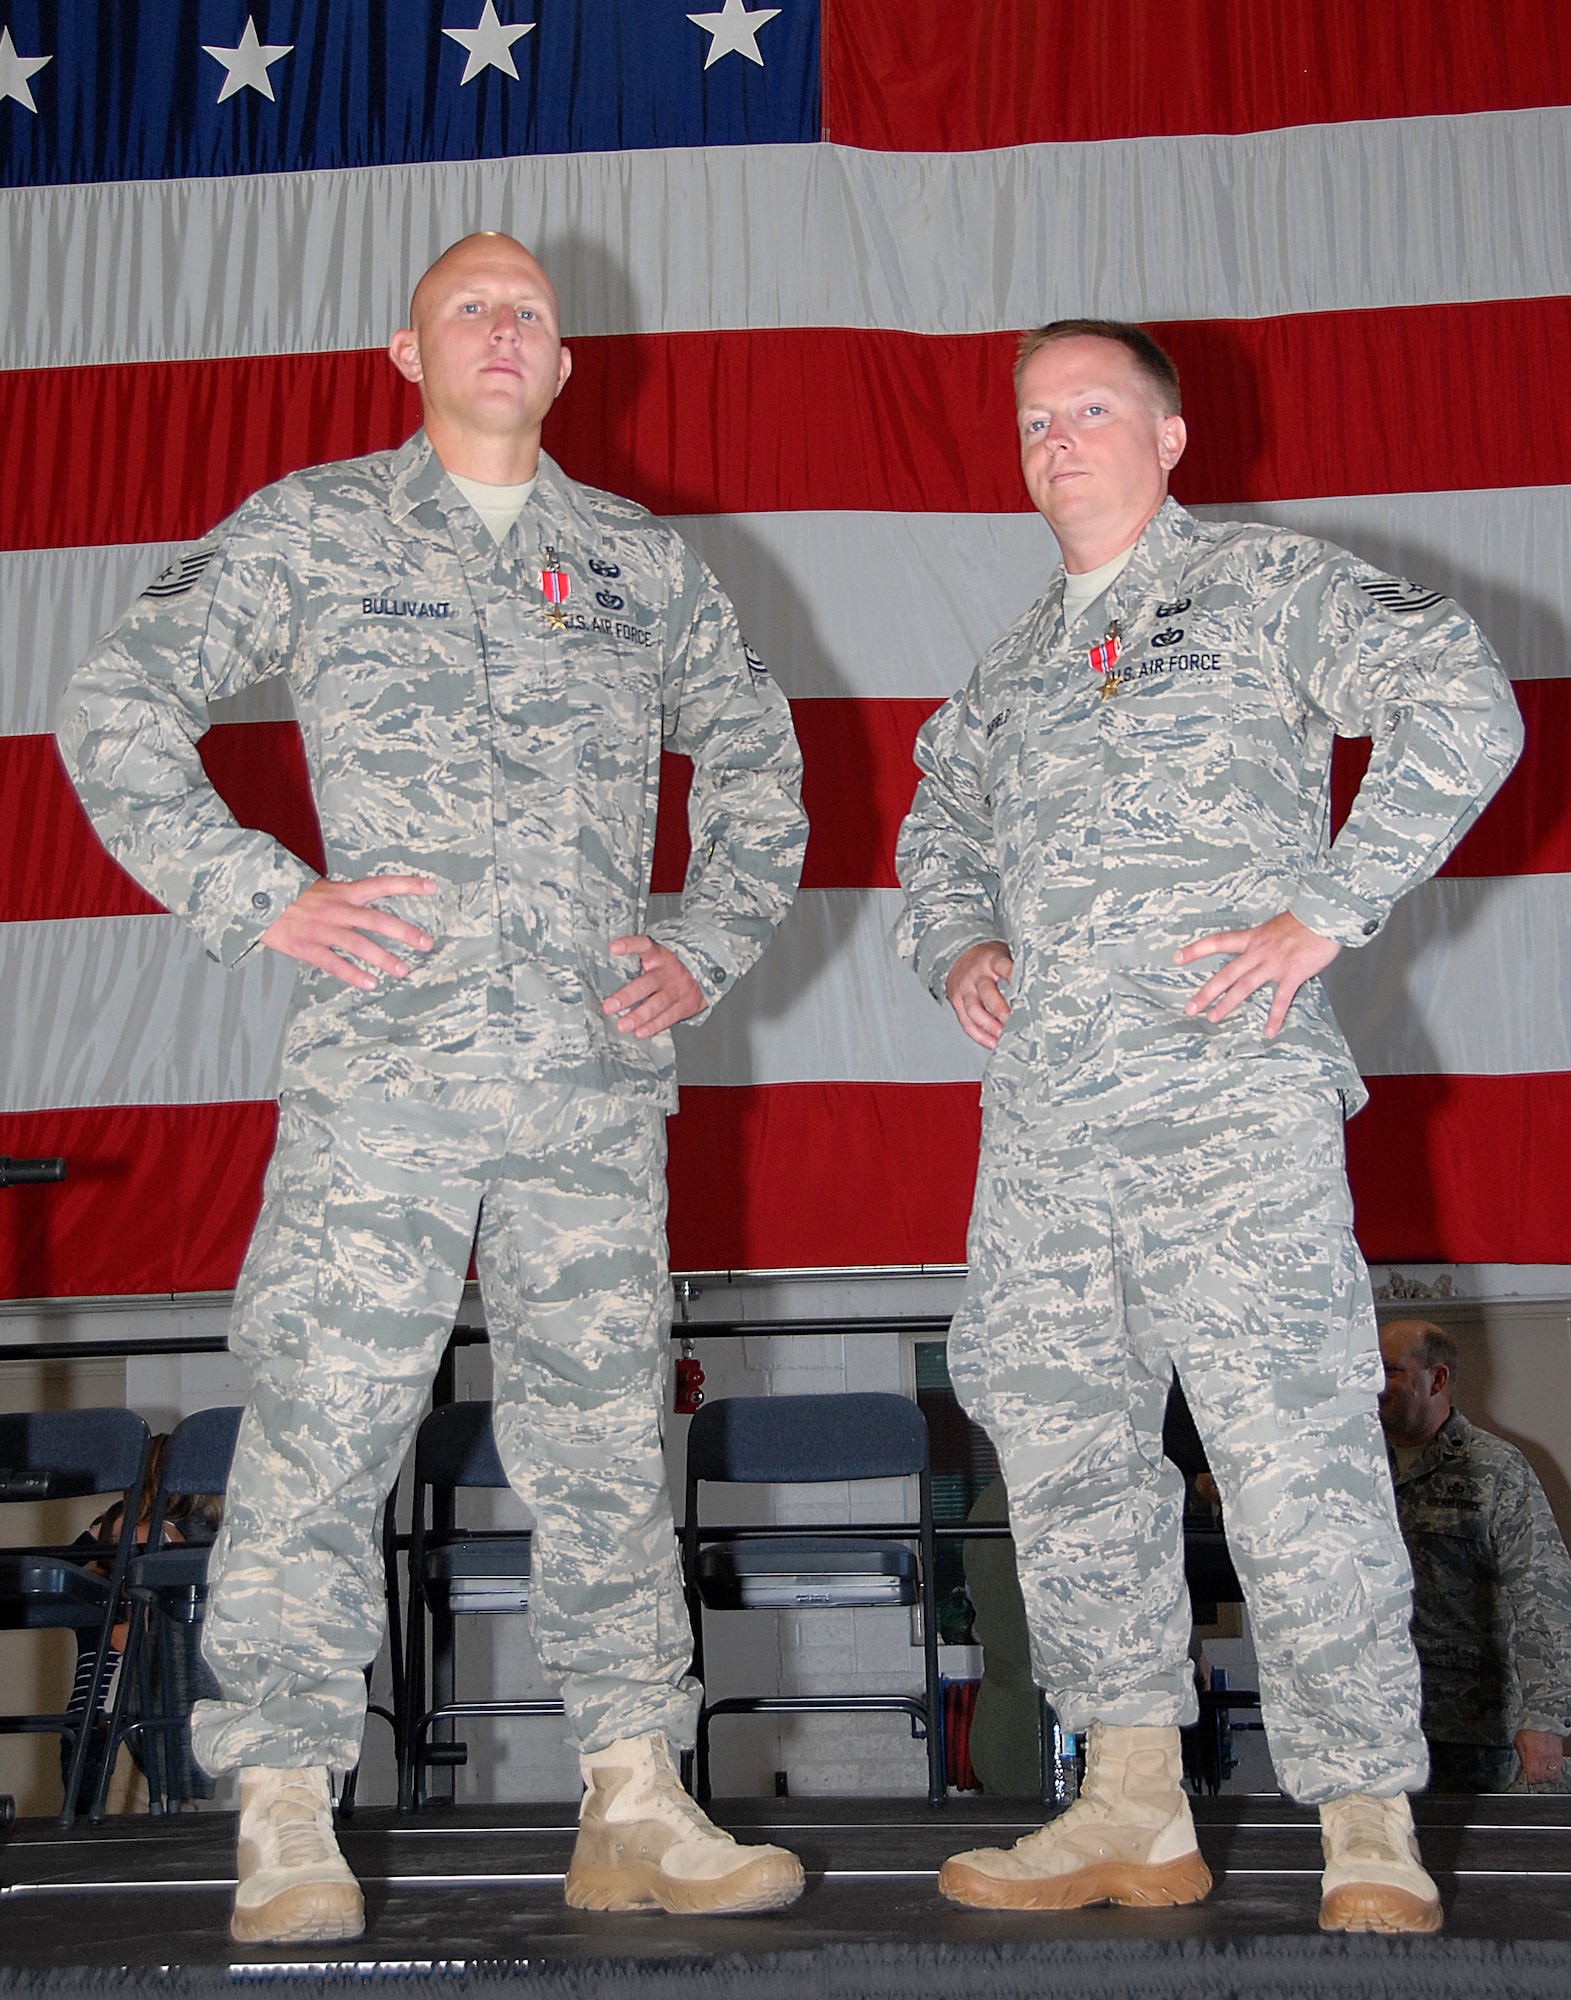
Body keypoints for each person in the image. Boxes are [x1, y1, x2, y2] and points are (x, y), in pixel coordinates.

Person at [57, 233, 809, 1942]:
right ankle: (284, 1809)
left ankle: (635, 1796)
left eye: (529, 314)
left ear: (563, 364)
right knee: (325, 1430)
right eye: (470, 306)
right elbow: (117, 703)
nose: (501, 328)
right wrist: (266, 897)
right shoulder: (317, 529)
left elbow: (761, 761)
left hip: (589, 1090)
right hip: (381, 1079)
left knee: (611, 1441)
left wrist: (705, 938)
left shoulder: (637, 562)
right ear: (406, 352)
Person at [894, 319, 1523, 1933]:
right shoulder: (1021, 661)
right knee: (1067, 1458)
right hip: (1045, 1136)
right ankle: (1127, 1805)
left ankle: (1367, 1821)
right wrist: (958, 942)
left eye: (1093, 408)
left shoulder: (1264, 588)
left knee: (1293, 1455)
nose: (1058, 437)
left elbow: (1462, 703)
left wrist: (1324, 912)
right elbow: (935, 819)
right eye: (1034, 417)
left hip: (1224, 1107)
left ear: (1170, 439)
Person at [1378, 1318, 1571, 1791]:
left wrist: (1545, 1717)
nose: (1374, 1385)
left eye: (1391, 1371)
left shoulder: (1494, 1470)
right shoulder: (1352, 1467)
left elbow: (1542, 1596)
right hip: (1377, 1727)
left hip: (1472, 1733)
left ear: (1437, 1379)